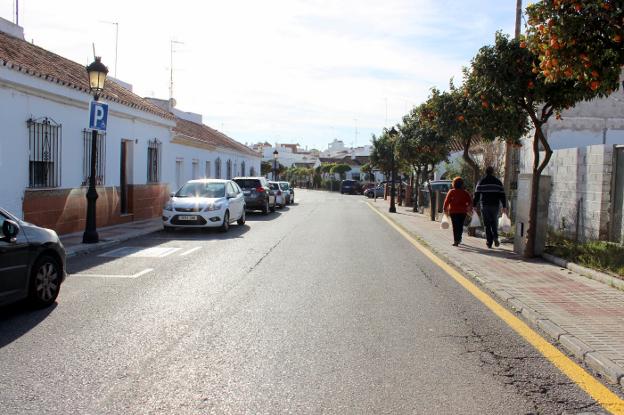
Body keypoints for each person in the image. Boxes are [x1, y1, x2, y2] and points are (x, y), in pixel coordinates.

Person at [473, 166, 508, 248]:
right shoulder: (498, 182)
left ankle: (489, 242)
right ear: (493, 172)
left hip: (484, 206)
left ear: (486, 172)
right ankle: (495, 237)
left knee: (487, 224)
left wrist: (474, 205)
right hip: (495, 206)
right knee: (494, 222)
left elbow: (477, 195)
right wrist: (504, 206)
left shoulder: (481, 182)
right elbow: (502, 195)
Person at [443, 177, 473, 246]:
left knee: (455, 226)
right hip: (463, 212)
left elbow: (446, 201)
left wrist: (445, 209)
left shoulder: (451, 191)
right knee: (460, 225)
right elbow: (470, 201)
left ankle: (456, 240)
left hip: (453, 211)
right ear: (462, 184)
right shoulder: (465, 192)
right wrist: (469, 208)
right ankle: (459, 238)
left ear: (454, 184)